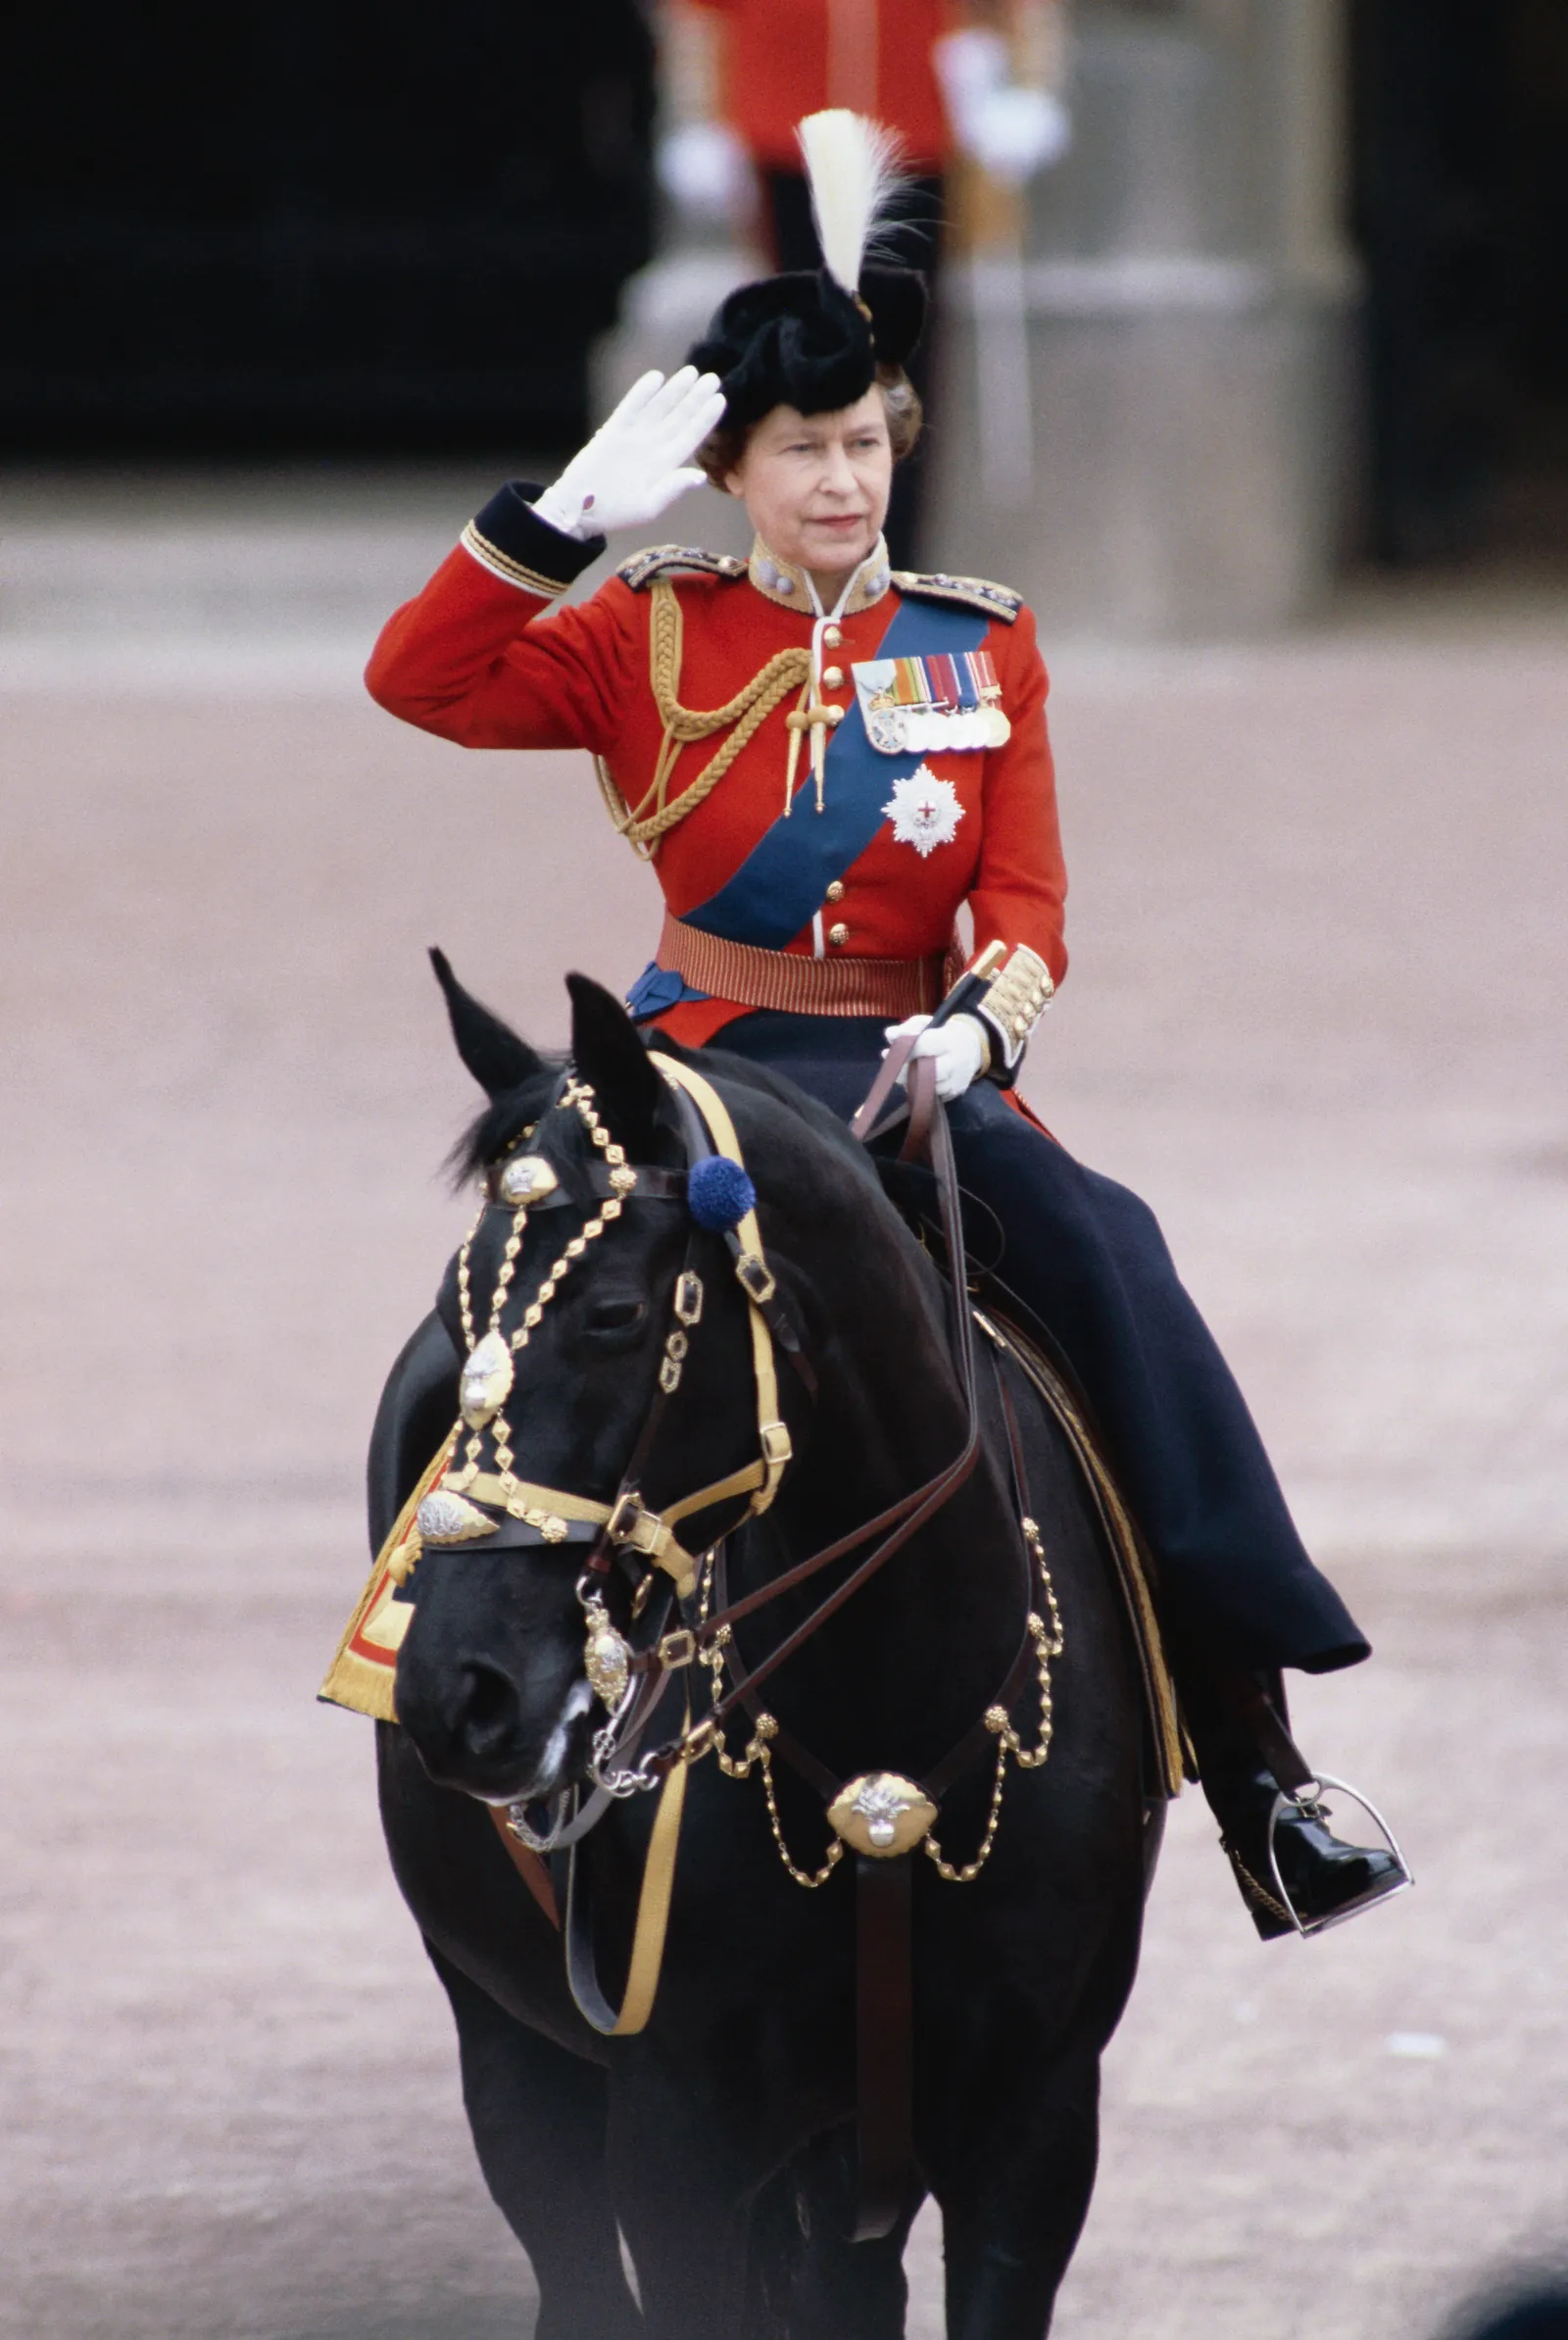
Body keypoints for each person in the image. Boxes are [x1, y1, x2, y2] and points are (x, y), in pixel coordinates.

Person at [365, 109, 1407, 1940]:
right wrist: (557, 524)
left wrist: (984, 1038)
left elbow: (1025, 903)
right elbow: (419, 679)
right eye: (803, 453)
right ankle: (461, 1681)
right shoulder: (648, 636)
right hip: (701, 1060)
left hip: (920, 1077)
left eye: (865, 446)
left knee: (1113, 1258)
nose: (846, 484)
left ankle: (1256, 1751)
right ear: (732, 472)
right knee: (519, 1306)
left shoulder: (979, 644)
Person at [658, 0, 1072, 564]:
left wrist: (1028, 85)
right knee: (793, 361)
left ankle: (892, 564)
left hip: (913, 128)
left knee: (900, 366)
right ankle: (799, 562)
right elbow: (697, 16)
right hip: (785, 126)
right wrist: (698, 116)